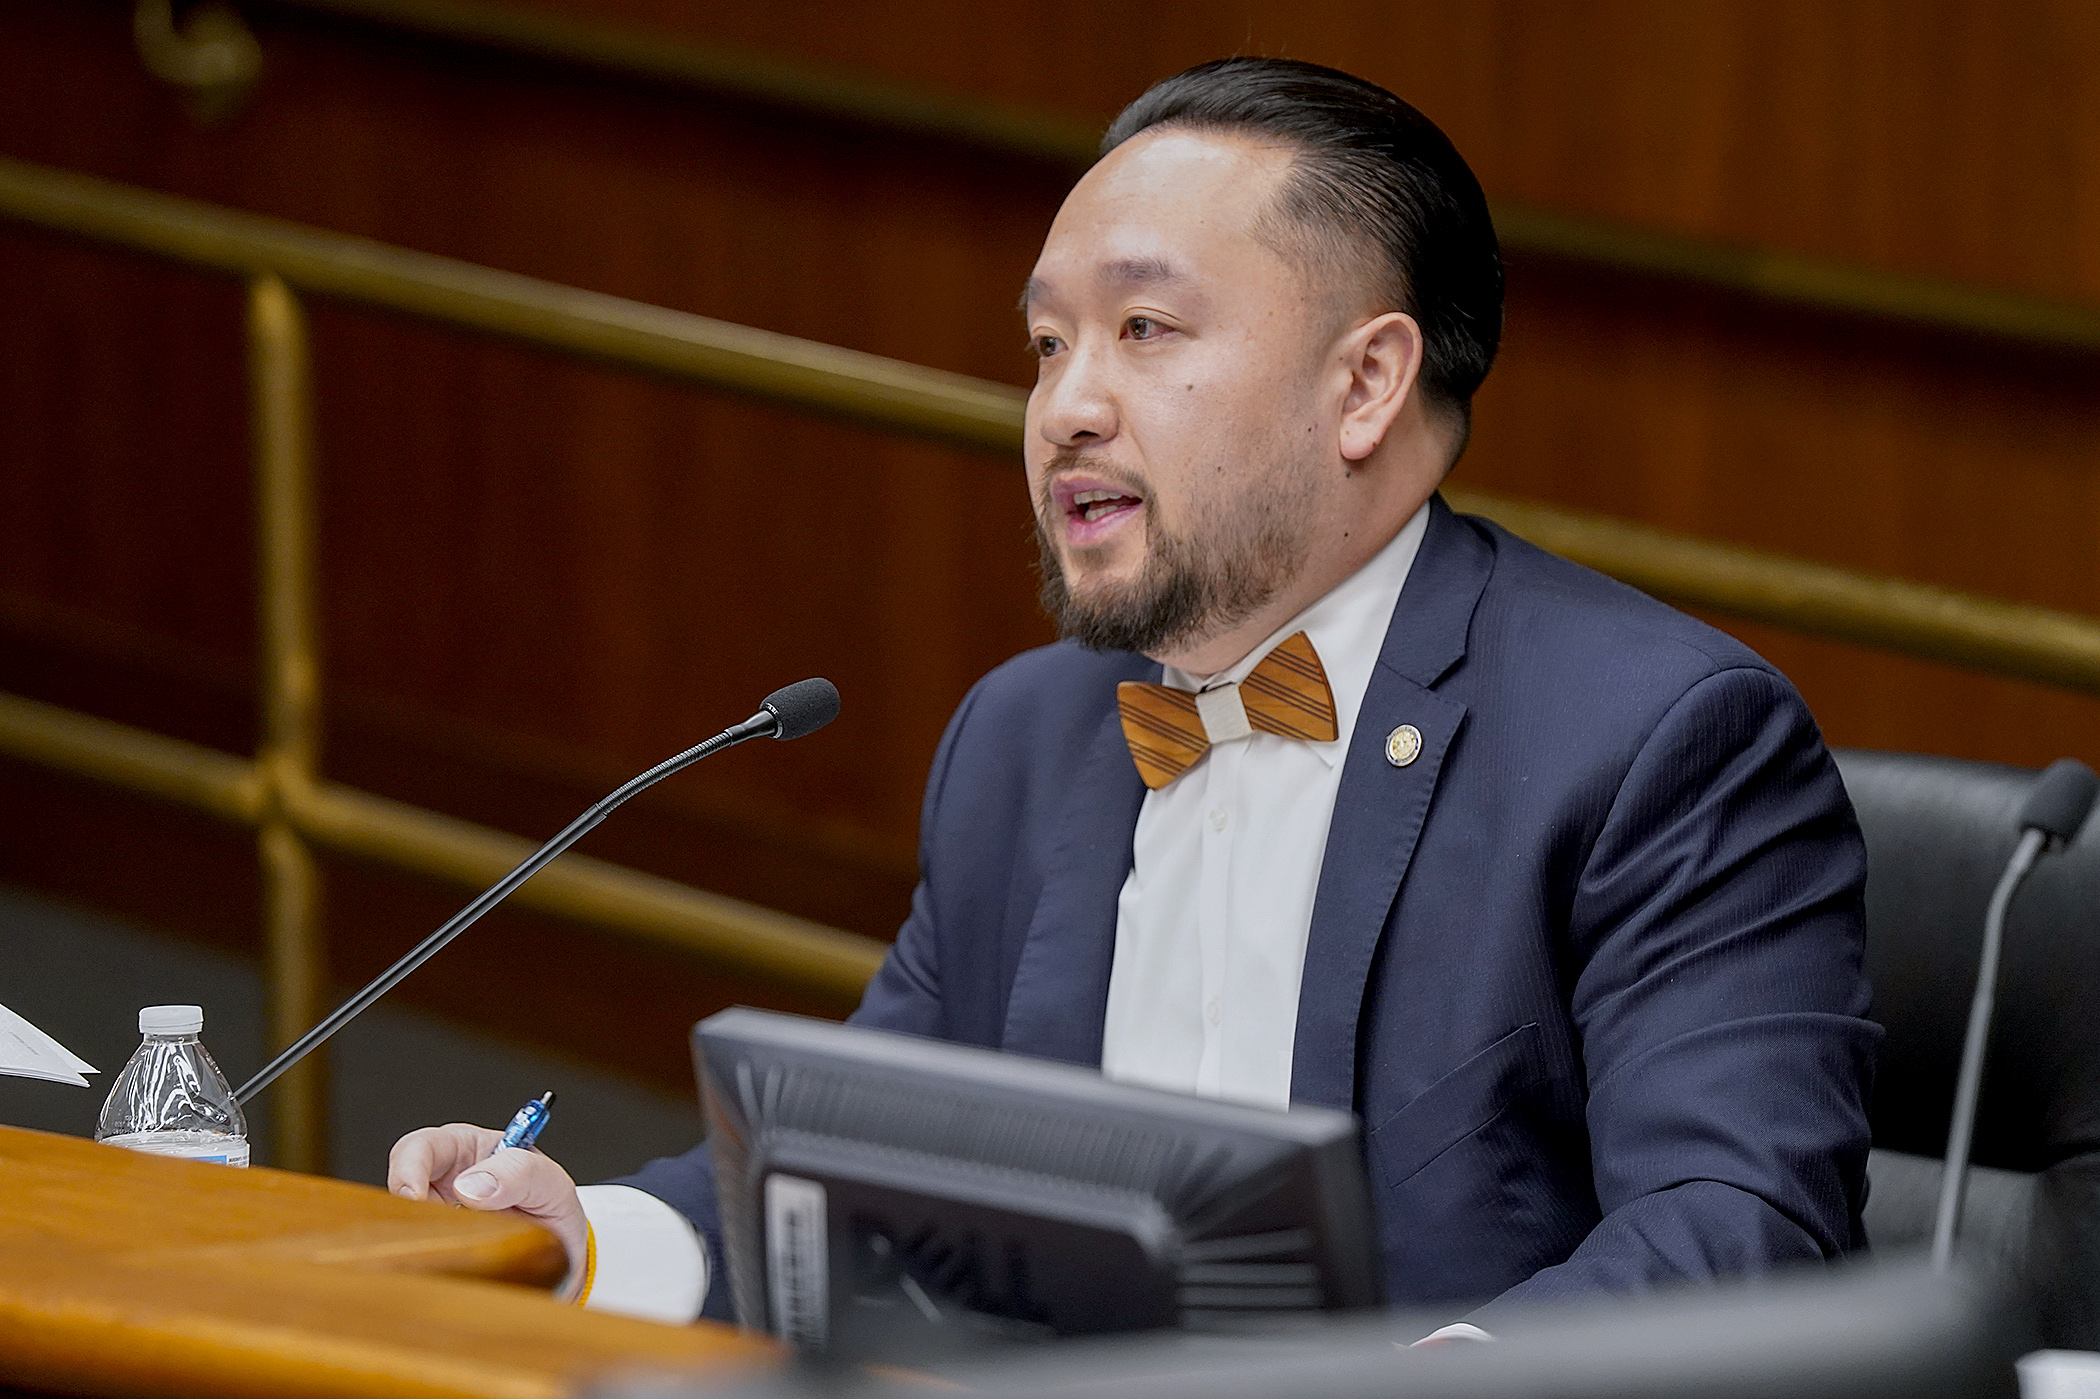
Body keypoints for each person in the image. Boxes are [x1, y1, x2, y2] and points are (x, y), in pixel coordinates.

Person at [392, 57, 1877, 1331]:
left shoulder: (1656, 744)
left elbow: (1734, 1230)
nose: (1064, 408)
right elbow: (872, 1173)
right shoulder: (1027, 739)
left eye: (1145, 332)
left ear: (1366, 385)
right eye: (1048, 343)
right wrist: (583, 1232)